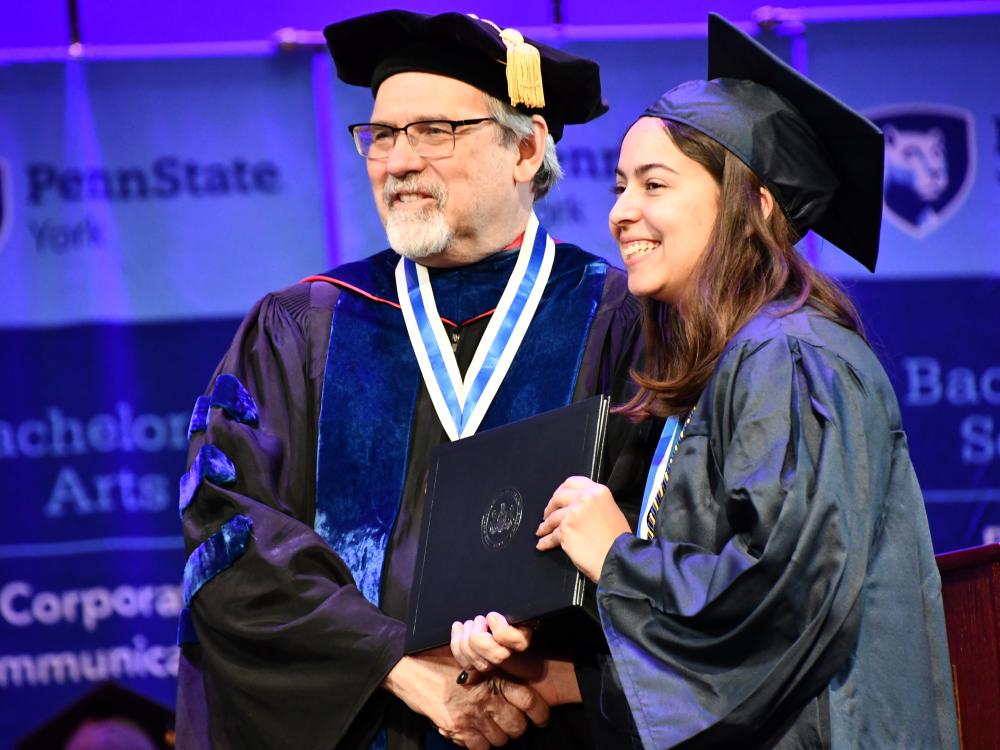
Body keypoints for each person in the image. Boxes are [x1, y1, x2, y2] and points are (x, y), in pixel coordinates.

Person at [450, 14, 959, 749]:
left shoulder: (791, 357)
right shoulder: (722, 371)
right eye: (622, 186)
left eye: (655, 184)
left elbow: (780, 599)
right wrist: (555, 672)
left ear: (755, 206)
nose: (622, 212)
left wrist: (615, 556)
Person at [174, 10, 645, 750]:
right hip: (373, 725)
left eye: (434, 131)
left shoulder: (622, 322)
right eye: (382, 135)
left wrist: (548, 674)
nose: (397, 161)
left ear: (526, 148)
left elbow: (673, 546)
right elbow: (231, 534)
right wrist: (398, 665)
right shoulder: (304, 329)